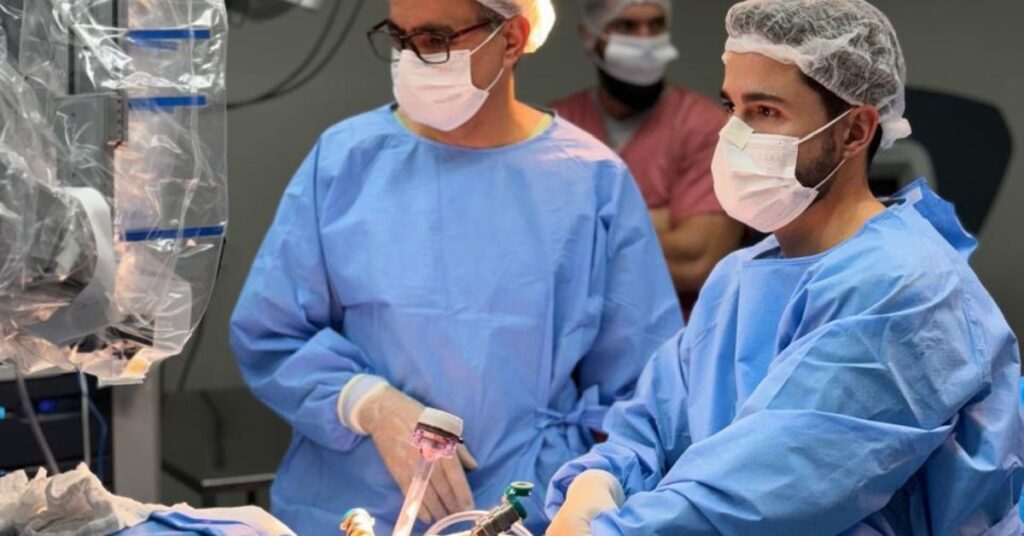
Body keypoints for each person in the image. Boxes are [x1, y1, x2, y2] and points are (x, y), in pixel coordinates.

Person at [545, 0, 1024, 533]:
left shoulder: (907, 290)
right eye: (731, 107)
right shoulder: (737, 279)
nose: (734, 135)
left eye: (765, 112)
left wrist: (611, 530)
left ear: (855, 131)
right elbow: (652, 427)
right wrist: (599, 479)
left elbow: (762, 496)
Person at [229, 0, 683, 533]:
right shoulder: (346, 162)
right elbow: (271, 334)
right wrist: (368, 404)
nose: (411, 57)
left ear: (511, 39)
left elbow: (646, 391)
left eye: (435, 40)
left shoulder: (590, 181)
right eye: (399, 38)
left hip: (525, 507)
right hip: (352, 510)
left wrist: (590, 495)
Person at [552, 0, 744, 314]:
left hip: (673, 332)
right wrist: (655, 219)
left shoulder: (703, 125)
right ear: (590, 36)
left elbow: (698, 259)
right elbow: (535, 249)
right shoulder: (559, 127)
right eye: (627, 26)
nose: (645, 39)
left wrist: (584, 221)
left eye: (655, 25)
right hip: (575, 335)